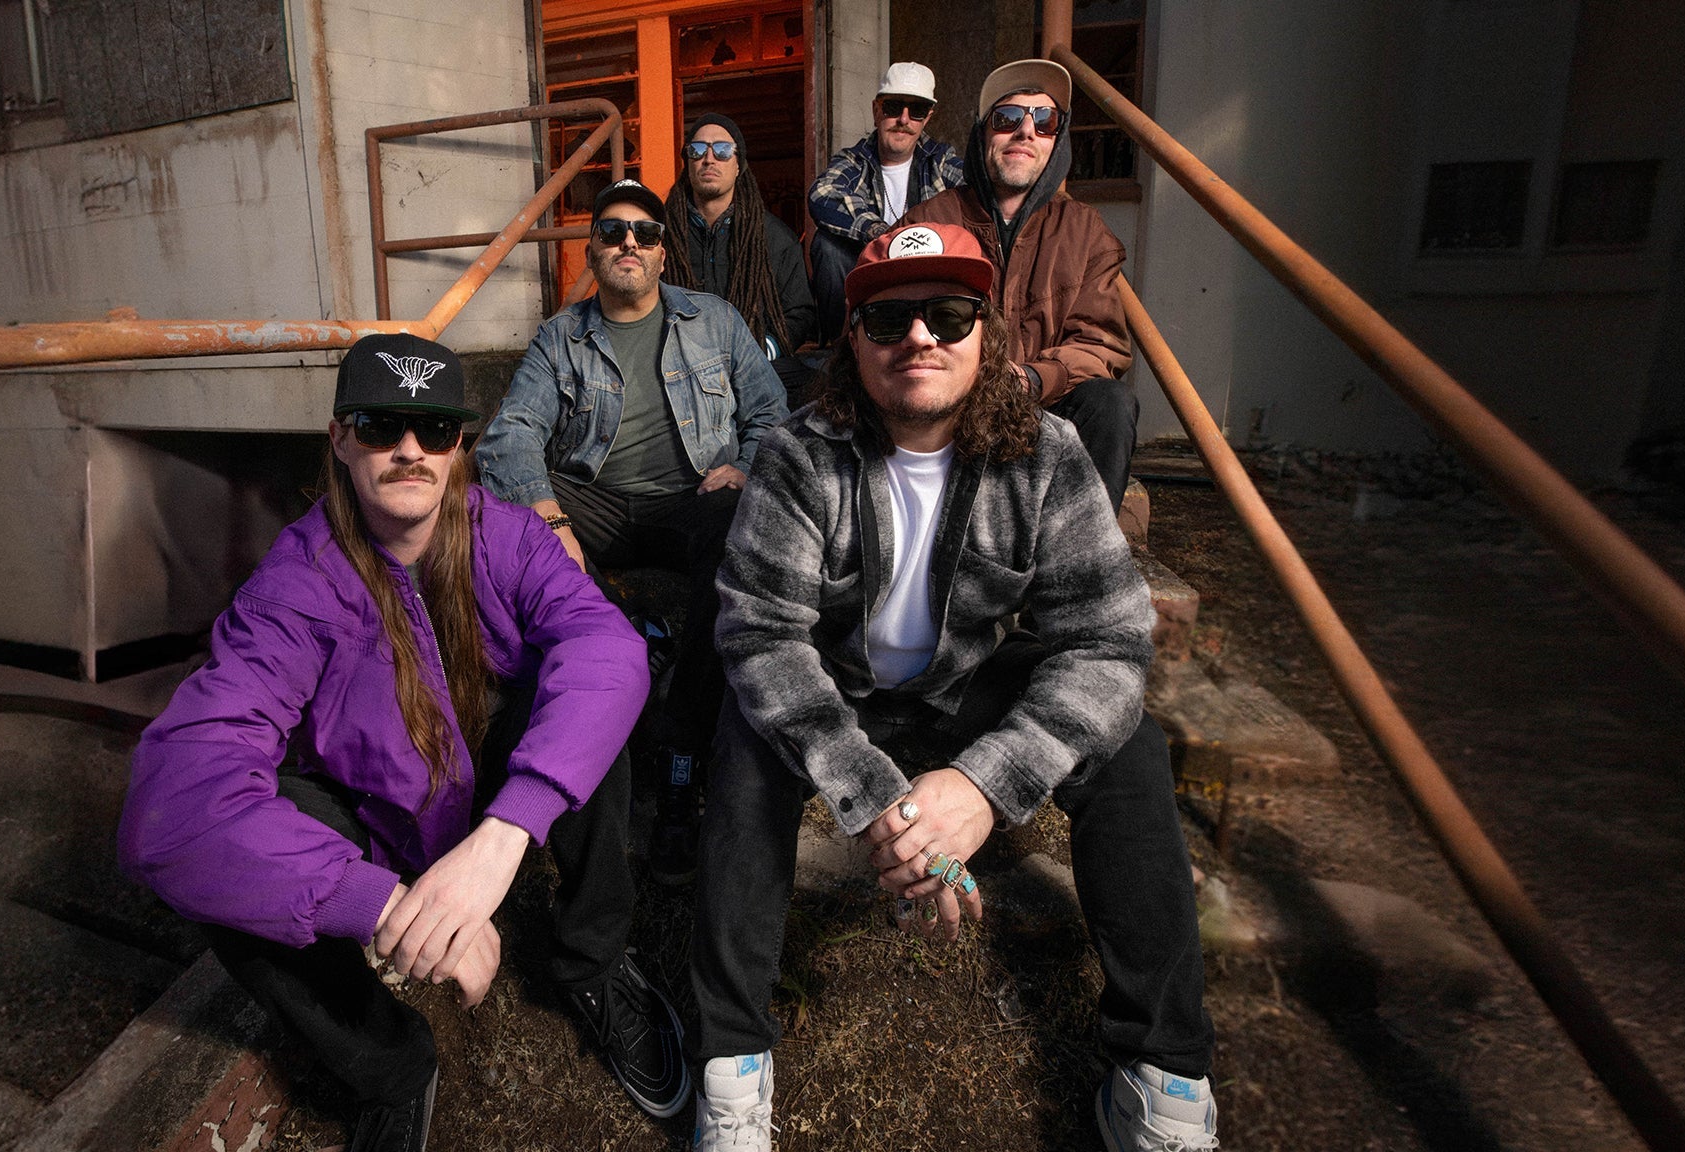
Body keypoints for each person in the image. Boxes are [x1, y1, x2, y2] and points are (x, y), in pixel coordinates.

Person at [685, 222, 1218, 1152]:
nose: (920, 338)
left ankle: (1162, 1072)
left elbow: (1107, 639)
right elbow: (762, 635)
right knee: (747, 735)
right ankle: (731, 1058)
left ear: (986, 332)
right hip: (844, 690)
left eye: (948, 314)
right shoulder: (797, 453)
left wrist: (982, 788)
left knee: (1128, 743)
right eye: (889, 319)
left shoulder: (1046, 453)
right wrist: (876, 801)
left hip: (967, 686)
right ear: (853, 340)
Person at [120, 333, 690, 1152]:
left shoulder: (509, 537)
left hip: (488, 789)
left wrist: (505, 834)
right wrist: (377, 902)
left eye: (436, 429)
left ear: (460, 446)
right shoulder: (294, 585)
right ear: (341, 438)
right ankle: (389, 1066)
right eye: (383, 425)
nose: (411, 449)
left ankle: (594, 965)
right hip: (379, 813)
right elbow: (172, 801)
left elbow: (608, 647)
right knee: (236, 872)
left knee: (585, 713)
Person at [475, 179, 787, 888]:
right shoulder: (561, 337)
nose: (629, 244)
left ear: (662, 253)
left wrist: (743, 465)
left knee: (742, 525)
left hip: (691, 497)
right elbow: (511, 435)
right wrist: (553, 517)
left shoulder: (714, 321)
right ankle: (615, 650)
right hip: (595, 501)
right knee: (499, 513)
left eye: (645, 234)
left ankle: (681, 738)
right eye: (613, 231)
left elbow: (772, 413)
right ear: (592, 250)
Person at [903, 58, 1138, 512]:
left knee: (1110, 404)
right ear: (983, 134)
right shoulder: (928, 222)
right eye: (1008, 118)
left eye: (1044, 121)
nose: (1026, 132)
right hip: (954, 408)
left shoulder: (1085, 230)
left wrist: (1031, 378)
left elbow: (1100, 344)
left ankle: (1080, 546)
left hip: (1044, 403)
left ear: (1056, 141)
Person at [662, 114, 820, 406]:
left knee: (816, 384)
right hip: (679, 370)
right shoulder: (661, 235)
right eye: (698, 150)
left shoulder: (773, 238)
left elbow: (799, 311)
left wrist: (761, 352)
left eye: (722, 150)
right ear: (688, 163)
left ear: (738, 165)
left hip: (751, 367)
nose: (709, 159)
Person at [807, 62, 964, 344]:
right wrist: (880, 234)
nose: (904, 119)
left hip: (926, 276)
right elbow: (822, 193)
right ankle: (839, 348)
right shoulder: (856, 160)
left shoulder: (939, 160)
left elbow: (978, 193)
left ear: (927, 118)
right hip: (872, 276)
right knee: (826, 245)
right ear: (876, 111)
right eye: (893, 107)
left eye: (916, 110)